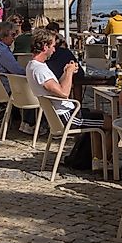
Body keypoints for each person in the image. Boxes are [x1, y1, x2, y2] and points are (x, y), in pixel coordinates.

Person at [26, 28, 111, 161]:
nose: (54, 50)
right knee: (111, 123)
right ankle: (104, 161)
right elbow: (64, 93)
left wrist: (66, 72)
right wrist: (70, 72)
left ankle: (97, 158)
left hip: (62, 113)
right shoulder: (39, 70)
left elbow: (56, 88)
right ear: (45, 47)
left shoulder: (34, 66)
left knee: (98, 115)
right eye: (53, 46)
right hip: (66, 116)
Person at [0, 22, 36, 134]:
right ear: (5, 34)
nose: (14, 38)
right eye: (13, 35)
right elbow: (16, 70)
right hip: (7, 88)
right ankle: (29, 122)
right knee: (34, 88)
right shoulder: (2, 52)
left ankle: (23, 120)